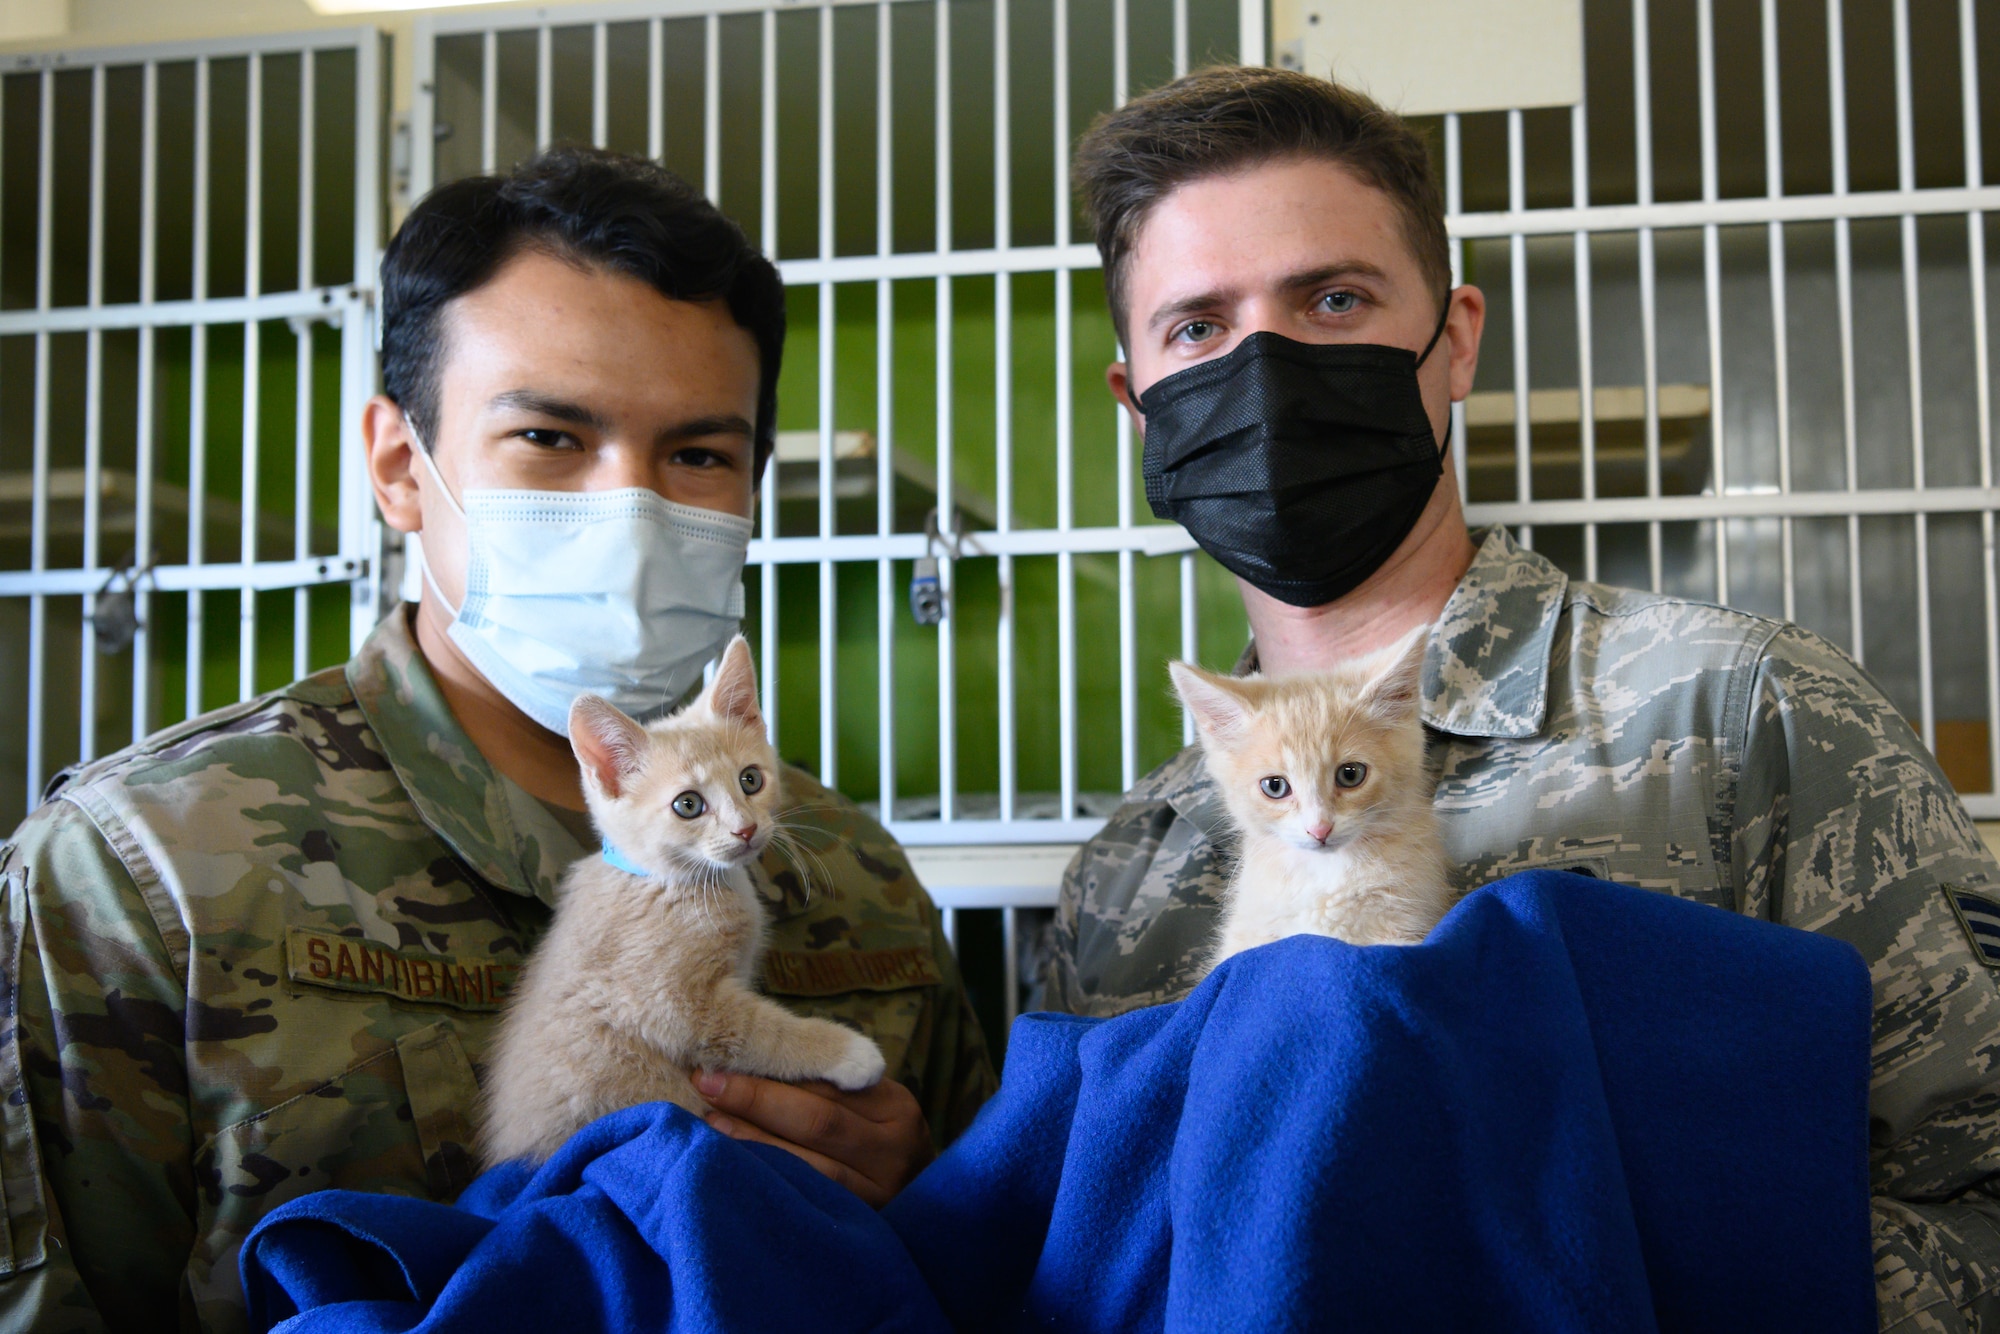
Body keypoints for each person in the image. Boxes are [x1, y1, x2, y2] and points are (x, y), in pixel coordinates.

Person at [1042, 65, 2000, 1332]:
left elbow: (1974, 1196)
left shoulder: (1742, 715)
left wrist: (1619, 1244)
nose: (1263, 367)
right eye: (1196, 330)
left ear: (1455, 340)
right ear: (1139, 407)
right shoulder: (1127, 871)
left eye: (1333, 298)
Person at [0, 147, 995, 1334]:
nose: (626, 508)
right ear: (396, 466)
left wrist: (921, 1204)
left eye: (697, 453)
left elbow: (1003, 1278)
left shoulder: (856, 876)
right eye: (547, 438)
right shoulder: (141, 871)